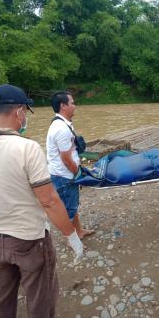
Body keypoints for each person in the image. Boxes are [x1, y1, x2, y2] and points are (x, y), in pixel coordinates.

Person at [0, 84, 83, 318]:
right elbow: (49, 200)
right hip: (29, 239)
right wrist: (71, 235)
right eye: (26, 113)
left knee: (1, 300)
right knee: (41, 298)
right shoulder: (27, 148)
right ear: (19, 112)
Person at [46, 91, 94, 243]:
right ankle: (72, 241)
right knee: (69, 210)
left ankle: (79, 231)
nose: (75, 105)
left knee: (72, 205)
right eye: (72, 102)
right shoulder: (61, 129)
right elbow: (66, 158)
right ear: (63, 106)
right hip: (64, 176)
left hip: (64, 174)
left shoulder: (62, 124)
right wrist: (78, 174)